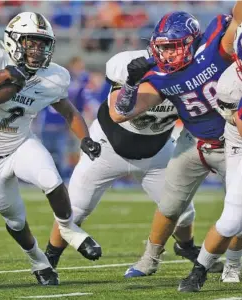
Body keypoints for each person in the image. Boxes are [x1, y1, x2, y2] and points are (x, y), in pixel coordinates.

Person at [0, 12, 102, 285]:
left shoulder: (54, 76)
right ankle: (38, 261)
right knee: (16, 221)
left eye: (42, 44)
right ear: (13, 40)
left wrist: (84, 137)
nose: (37, 49)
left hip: (20, 144)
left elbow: (69, 111)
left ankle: (68, 229)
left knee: (52, 180)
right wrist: (6, 74)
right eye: (31, 42)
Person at [43, 48, 214, 271]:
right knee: (74, 211)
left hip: (156, 151)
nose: (173, 55)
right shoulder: (129, 65)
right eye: (168, 47)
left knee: (182, 211)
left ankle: (187, 246)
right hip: (107, 147)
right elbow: (117, 109)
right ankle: (49, 259)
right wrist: (132, 81)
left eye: (178, 48)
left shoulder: (196, 74)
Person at [108, 6, 242, 278]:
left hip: (233, 142)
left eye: (174, 47)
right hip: (193, 143)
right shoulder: (158, 75)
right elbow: (118, 114)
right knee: (169, 206)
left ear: (192, 41)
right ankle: (149, 258)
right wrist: (131, 84)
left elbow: (238, 17)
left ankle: (233, 263)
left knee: (238, 211)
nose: (167, 54)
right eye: (163, 48)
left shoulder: (216, 49)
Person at [178, 23, 242, 292]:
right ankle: (199, 270)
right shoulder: (230, 86)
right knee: (232, 218)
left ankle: (233, 263)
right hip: (239, 140)